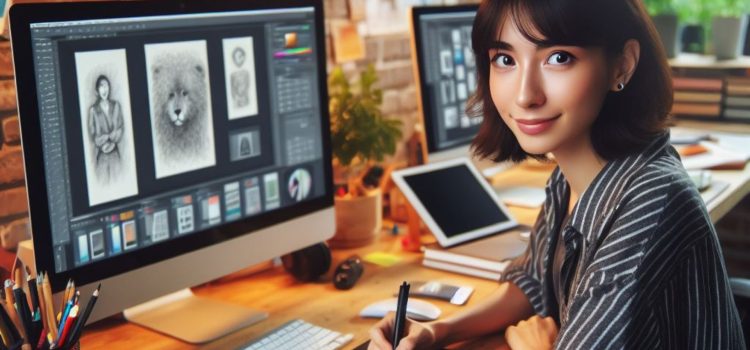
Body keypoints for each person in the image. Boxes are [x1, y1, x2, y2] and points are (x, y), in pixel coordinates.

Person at [368, 0, 746, 349]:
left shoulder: (651, 200)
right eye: (505, 59)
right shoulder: (569, 177)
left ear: (622, 65)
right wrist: (437, 331)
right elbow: (531, 283)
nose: (525, 95)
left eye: (559, 57)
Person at [88, 74, 124, 184]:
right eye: (102, 86)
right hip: (102, 156)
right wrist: (103, 142)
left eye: (107, 86)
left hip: (115, 153)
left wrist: (112, 141)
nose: (105, 89)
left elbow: (120, 128)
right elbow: (93, 134)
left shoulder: (116, 105)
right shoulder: (93, 110)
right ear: (97, 90)